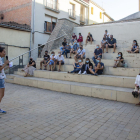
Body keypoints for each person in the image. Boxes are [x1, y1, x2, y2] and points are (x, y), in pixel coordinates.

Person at [0, 47, 9, 114]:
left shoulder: (0, 59)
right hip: (0, 79)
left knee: (1, 94)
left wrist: (6, 67)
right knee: (1, 94)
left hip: (1, 78)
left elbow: (1, 68)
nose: (5, 53)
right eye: (4, 52)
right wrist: (5, 63)